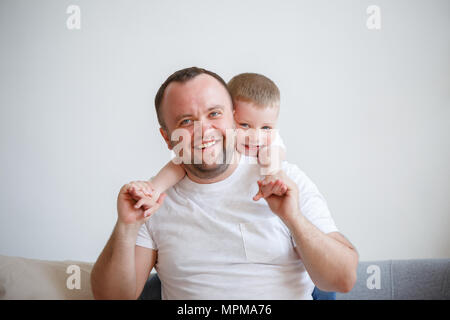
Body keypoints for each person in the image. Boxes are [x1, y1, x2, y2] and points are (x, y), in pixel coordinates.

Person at [90, 67, 359, 299]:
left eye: (214, 114)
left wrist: (294, 218)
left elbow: (343, 279)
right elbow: (113, 297)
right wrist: (127, 227)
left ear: (233, 115)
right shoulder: (151, 200)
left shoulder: (284, 180)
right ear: (167, 136)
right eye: (186, 121)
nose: (204, 130)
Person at [128, 72, 288, 214]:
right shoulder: (216, 143)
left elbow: (274, 152)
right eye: (244, 125)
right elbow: (179, 164)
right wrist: (153, 189)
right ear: (231, 117)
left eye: (266, 128)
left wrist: (273, 174)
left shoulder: (271, 147)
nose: (255, 137)